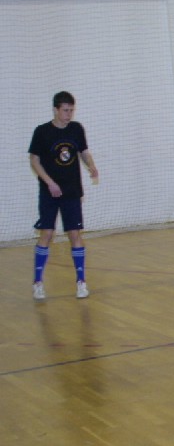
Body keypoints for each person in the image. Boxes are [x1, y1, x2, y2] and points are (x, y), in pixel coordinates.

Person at [29, 91, 99, 300]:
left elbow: (83, 152)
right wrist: (49, 183)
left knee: (75, 234)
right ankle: (38, 282)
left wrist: (91, 165)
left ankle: (81, 282)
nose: (69, 114)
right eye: (66, 110)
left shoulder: (76, 129)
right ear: (56, 109)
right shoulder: (42, 131)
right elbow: (34, 160)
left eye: (71, 110)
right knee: (47, 233)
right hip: (49, 192)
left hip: (71, 191)